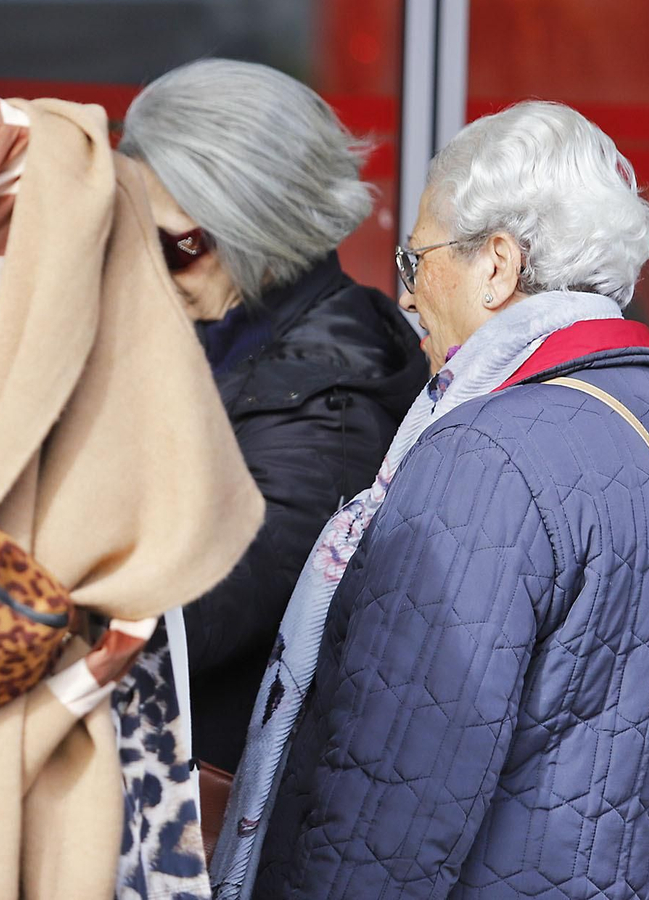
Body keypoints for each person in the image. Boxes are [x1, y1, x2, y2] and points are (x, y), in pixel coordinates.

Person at [225, 100, 649, 899]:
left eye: (414, 262)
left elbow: (385, 810)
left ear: (498, 264)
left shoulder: (480, 457)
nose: (406, 298)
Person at [116, 59, 427, 776]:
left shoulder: (329, 403)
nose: (149, 265)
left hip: (213, 808)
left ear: (252, 225)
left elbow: (180, 623)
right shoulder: (206, 334)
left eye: (173, 244)